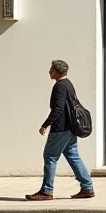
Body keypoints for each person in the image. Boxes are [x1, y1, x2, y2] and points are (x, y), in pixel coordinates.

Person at [26, 60, 95, 201]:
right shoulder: (68, 84)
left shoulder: (60, 86)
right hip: (70, 129)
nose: (49, 72)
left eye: (51, 69)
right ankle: (87, 188)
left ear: (56, 71)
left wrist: (45, 124)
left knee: (50, 157)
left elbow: (58, 109)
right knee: (73, 156)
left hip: (61, 128)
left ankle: (46, 191)